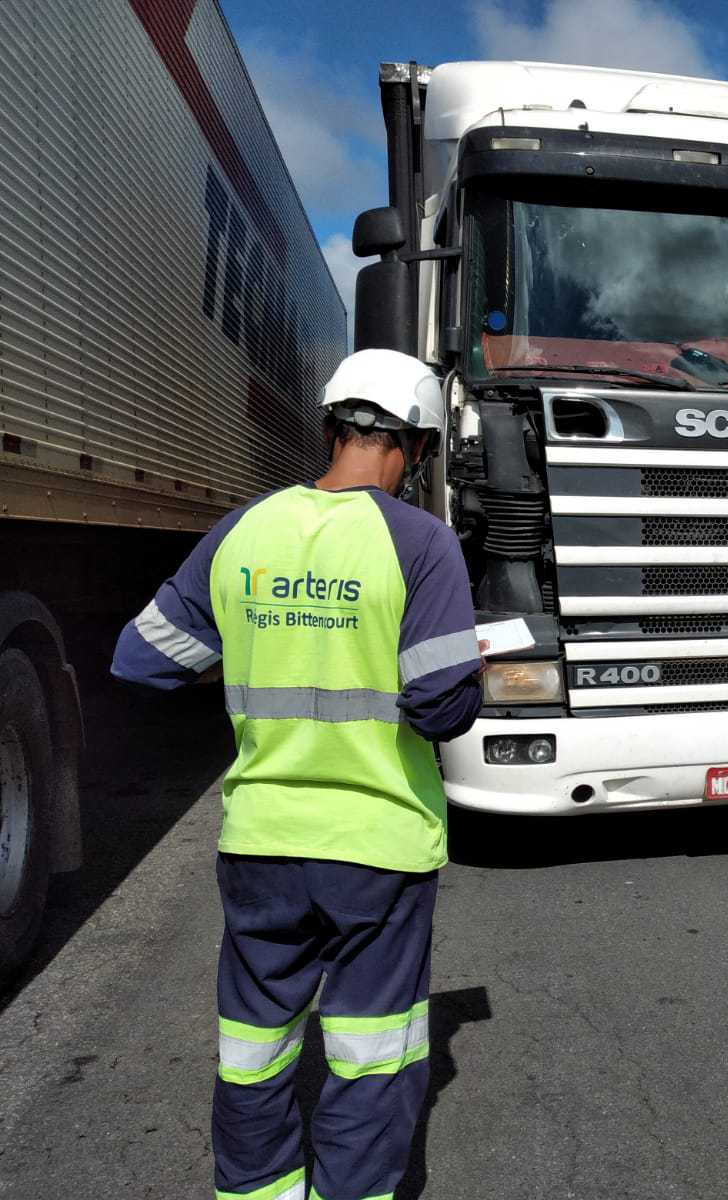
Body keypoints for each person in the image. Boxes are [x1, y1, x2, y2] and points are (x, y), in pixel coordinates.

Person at [111, 348, 483, 1200]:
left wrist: (254, 641)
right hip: (377, 847)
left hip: (260, 846)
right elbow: (440, 708)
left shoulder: (245, 530)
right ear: (417, 447)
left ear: (331, 429)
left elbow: (141, 661)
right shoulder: (423, 544)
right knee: (370, 1054)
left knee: (252, 1049)